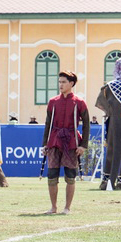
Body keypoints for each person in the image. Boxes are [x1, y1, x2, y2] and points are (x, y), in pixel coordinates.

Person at [43, 71, 89, 214]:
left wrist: (83, 145)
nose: (61, 85)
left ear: (71, 83)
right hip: (54, 141)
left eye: (63, 82)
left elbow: (86, 125)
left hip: (71, 141)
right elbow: (47, 124)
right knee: (51, 175)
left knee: (70, 176)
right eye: (59, 82)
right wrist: (44, 144)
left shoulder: (79, 102)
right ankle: (53, 207)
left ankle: (67, 207)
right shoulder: (53, 102)